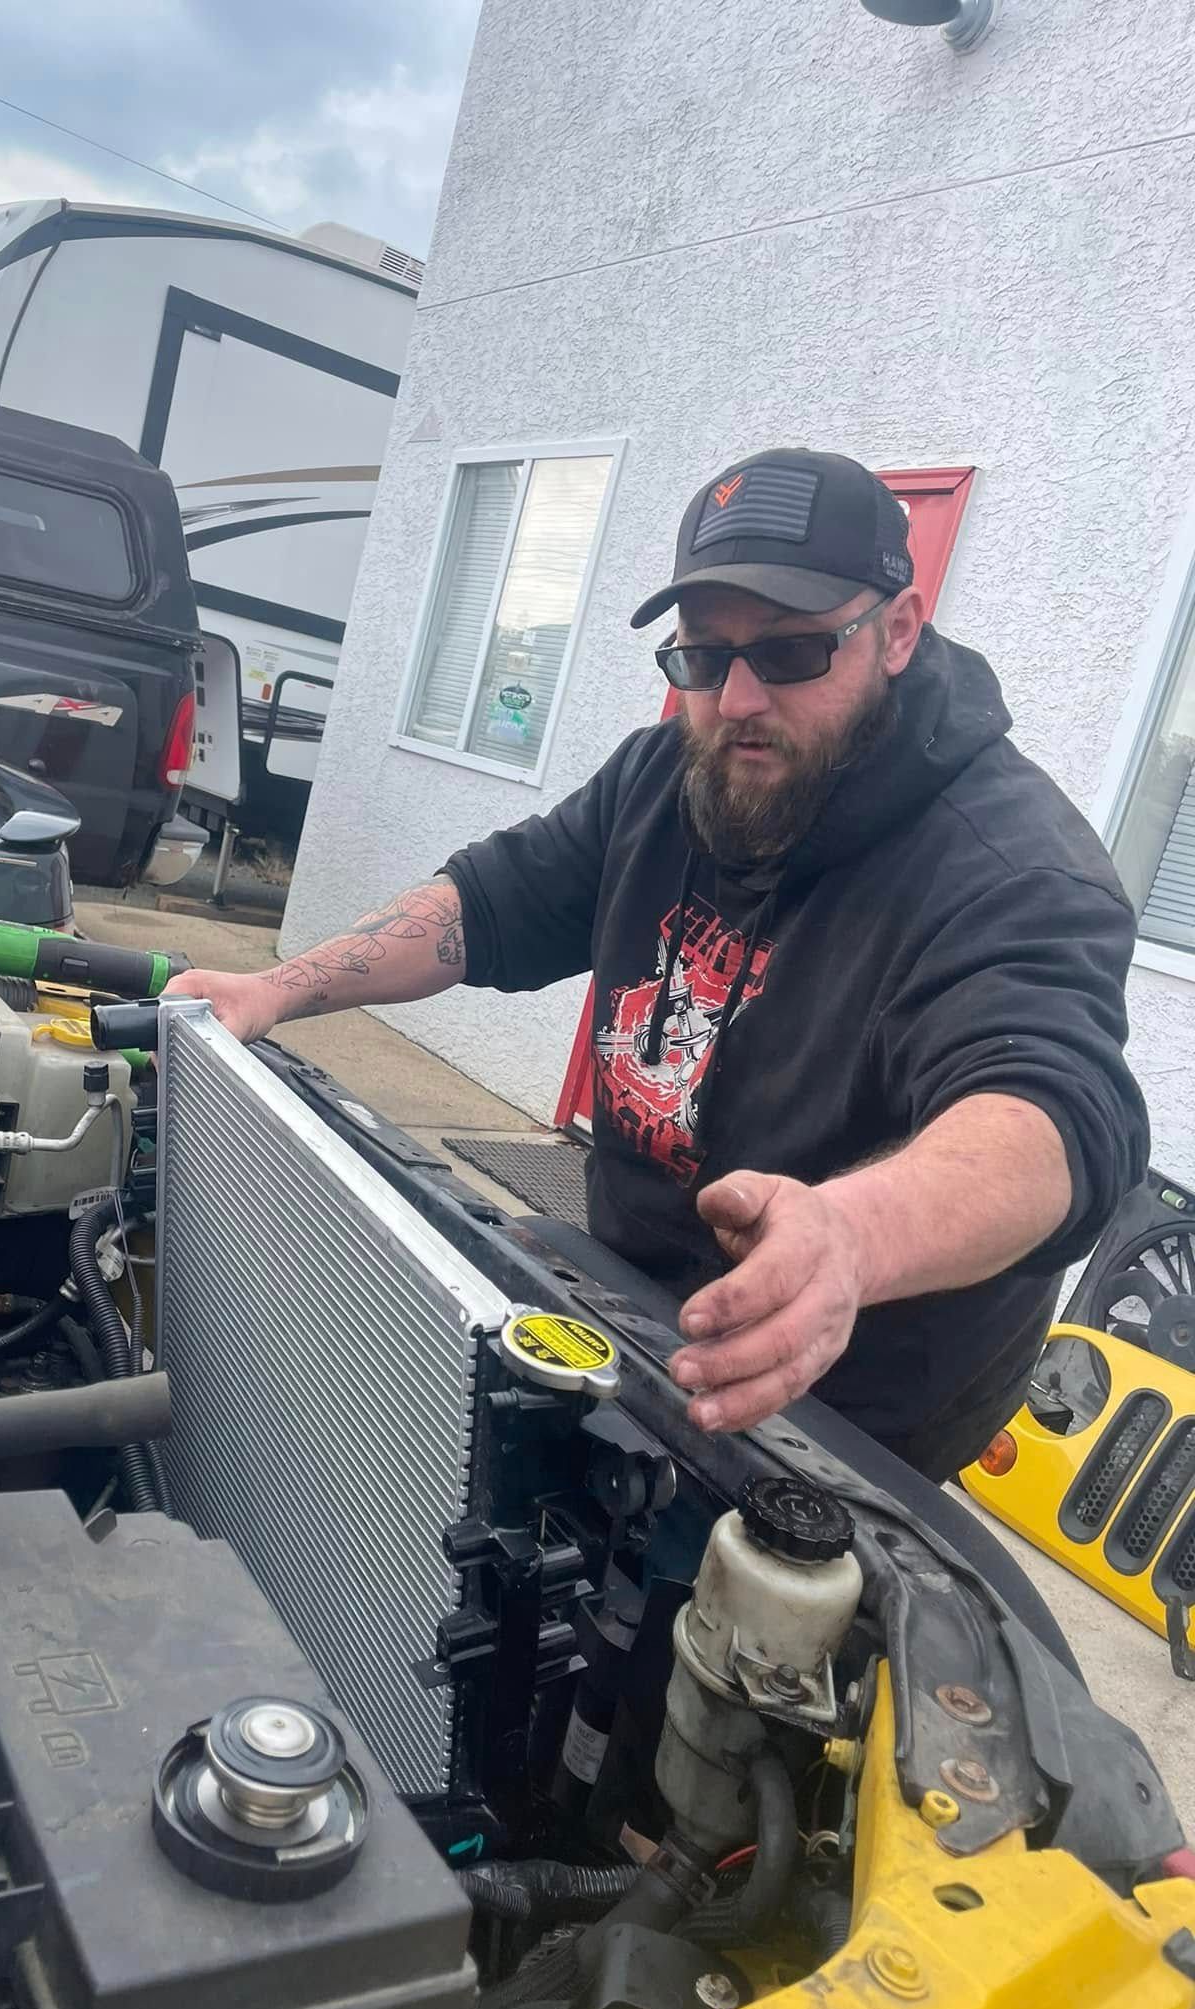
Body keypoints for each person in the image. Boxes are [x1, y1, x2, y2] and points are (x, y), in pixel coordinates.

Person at [166, 449, 1148, 1479]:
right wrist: (274, 987)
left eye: (792, 654)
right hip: (619, 1318)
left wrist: (850, 1238)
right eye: (702, 657)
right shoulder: (671, 771)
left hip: (840, 1434)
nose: (738, 700)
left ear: (897, 630)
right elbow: (491, 899)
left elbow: (1054, 1119)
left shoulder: (1008, 866)